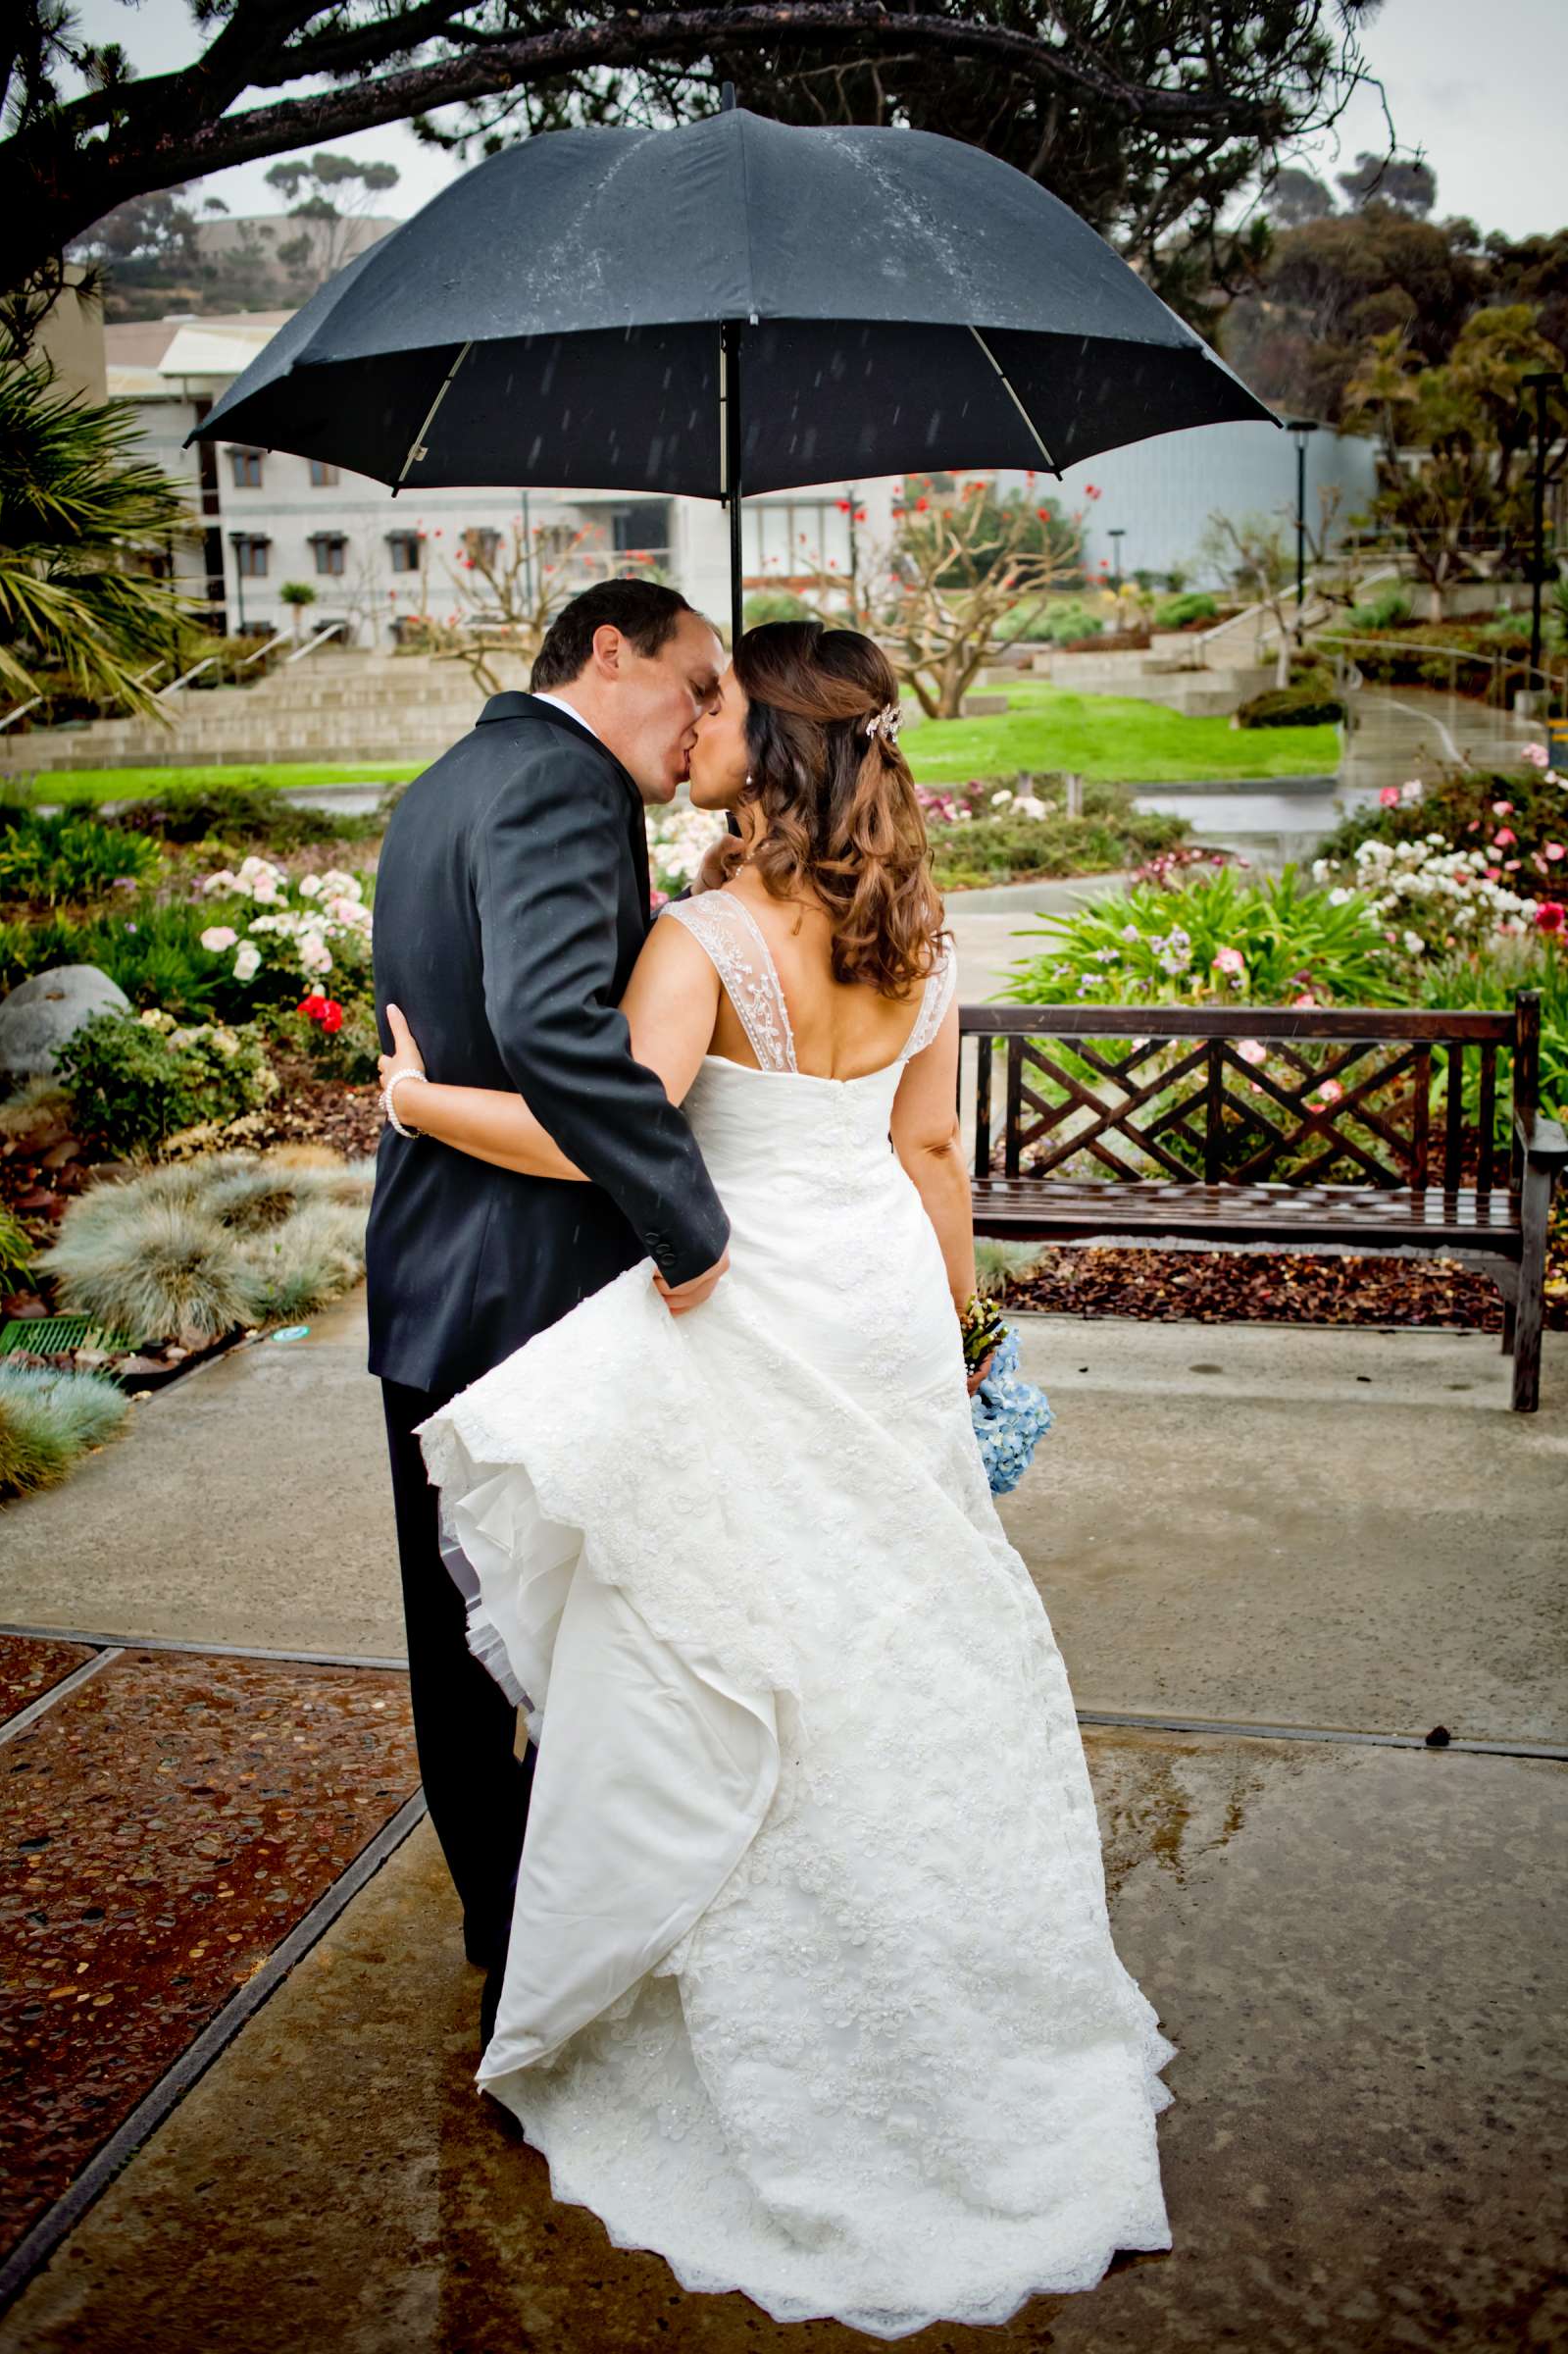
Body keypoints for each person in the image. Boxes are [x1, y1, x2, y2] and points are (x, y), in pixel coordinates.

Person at [375, 620, 1177, 2335]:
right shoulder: (923, 930)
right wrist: (966, 1347)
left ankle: (765, 1997)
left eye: (734, 710)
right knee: (891, 1634)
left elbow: (614, 1127)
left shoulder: (707, 937)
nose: (709, 725)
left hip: (742, 1306)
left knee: (740, 1646)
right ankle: (952, 1989)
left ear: (778, 756)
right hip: (878, 1310)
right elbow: (934, 1151)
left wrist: (424, 1098)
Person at [365, 578, 732, 2052]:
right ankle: (550, 1939)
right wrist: (686, 1221)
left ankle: (508, 1925)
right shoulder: (563, 784)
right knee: (576, 1628)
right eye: (693, 684)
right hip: (528, 1293)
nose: (704, 719)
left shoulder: (447, 782)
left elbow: (467, 1022)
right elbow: (548, 1027)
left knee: (458, 1628)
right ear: (607, 651)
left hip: (435, 1280)